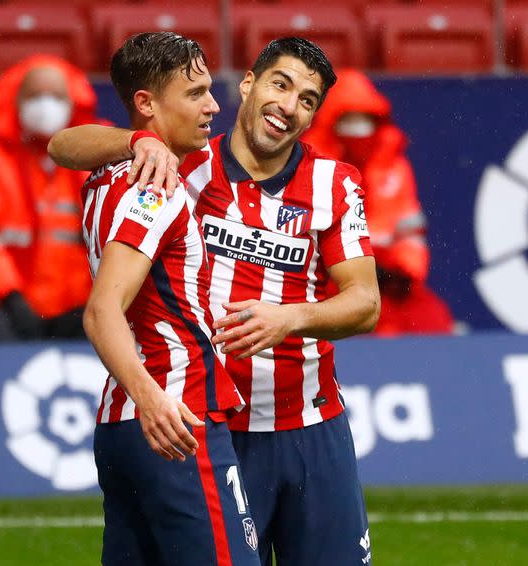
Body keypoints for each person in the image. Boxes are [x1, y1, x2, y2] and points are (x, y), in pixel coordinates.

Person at [49, 38, 380, 566]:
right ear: (248, 83)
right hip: (212, 425)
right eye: (280, 84)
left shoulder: (334, 185)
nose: (289, 106)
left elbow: (366, 302)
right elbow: (63, 145)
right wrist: (137, 141)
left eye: (308, 100)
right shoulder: (184, 164)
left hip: (309, 427)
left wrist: (292, 317)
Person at [80, 32, 259, 566]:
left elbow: (60, 145)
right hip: (176, 418)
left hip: (122, 426)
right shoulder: (152, 189)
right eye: (195, 93)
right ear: (146, 103)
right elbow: (101, 309)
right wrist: (153, 399)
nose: (212, 106)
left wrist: (134, 140)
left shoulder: (105, 175)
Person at [0, 55, 99, 343]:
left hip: (80, 308)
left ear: (72, 103)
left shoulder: (94, 152)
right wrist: (12, 299)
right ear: (17, 99)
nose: (46, 105)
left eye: (56, 96)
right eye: (35, 95)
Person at [302, 69, 454, 336]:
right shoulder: (309, 164)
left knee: (432, 318)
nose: (358, 130)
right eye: (348, 121)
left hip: (389, 283)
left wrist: (403, 272)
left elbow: (410, 231)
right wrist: (353, 266)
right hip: (328, 282)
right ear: (332, 122)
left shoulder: (394, 165)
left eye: (364, 120)